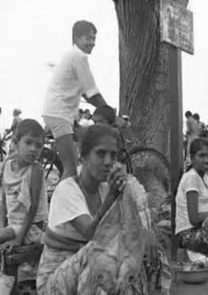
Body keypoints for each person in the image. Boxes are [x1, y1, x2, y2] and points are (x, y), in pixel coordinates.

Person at [37, 124, 168, 293]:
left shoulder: (105, 187)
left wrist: (146, 233)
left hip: (87, 272)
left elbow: (129, 230)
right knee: (99, 254)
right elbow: (90, 234)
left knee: (146, 254)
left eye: (113, 156)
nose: (108, 162)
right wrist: (112, 197)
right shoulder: (67, 189)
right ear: (83, 156)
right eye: (100, 154)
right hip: (55, 280)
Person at [42, 20, 108, 181]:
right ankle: (62, 204)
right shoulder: (78, 56)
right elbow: (92, 93)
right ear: (76, 38)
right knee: (70, 169)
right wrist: (110, 113)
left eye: (94, 38)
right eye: (87, 38)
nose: (92, 43)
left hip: (64, 114)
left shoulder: (73, 56)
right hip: (59, 114)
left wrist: (103, 107)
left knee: (88, 139)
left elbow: (86, 94)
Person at [0, 119, 48, 249]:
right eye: (28, 143)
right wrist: (3, 227)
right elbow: (4, 202)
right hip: (12, 225)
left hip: (30, 227)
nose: (33, 149)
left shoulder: (35, 169)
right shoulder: (7, 166)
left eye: (38, 146)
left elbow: (32, 208)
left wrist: (18, 240)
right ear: (15, 143)